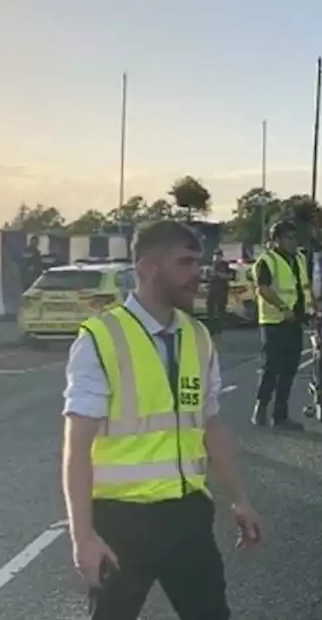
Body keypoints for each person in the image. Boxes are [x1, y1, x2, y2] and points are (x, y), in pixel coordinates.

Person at [61, 220, 263, 620]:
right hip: (122, 521)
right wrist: (83, 537)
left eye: (198, 263)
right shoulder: (100, 339)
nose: (197, 275)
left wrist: (240, 499)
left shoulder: (198, 336)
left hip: (187, 516)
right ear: (149, 267)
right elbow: (76, 447)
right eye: (185, 263)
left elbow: (211, 425)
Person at [251, 220, 314, 429]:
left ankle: (280, 415)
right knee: (272, 367)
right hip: (273, 321)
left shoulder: (300, 259)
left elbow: (305, 287)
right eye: (289, 238)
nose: (294, 242)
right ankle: (261, 408)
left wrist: (312, 309)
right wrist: (283, 308)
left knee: (290, 368)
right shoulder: (267, 260)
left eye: (295, 238)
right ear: (276, 240)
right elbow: (263, 289)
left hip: (294, 321)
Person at [206, 248, 233, 336]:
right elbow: (206, 277)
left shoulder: (225, 265)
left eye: (218, 255)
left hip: (222, 289)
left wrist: (219, 274)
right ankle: (211, 329)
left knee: (221, 310)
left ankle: (219, 328)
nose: (216, 257)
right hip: (212, 289)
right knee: (210, 310)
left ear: (221, 256)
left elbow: (230, 276)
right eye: (215, 255)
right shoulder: (210, 265)